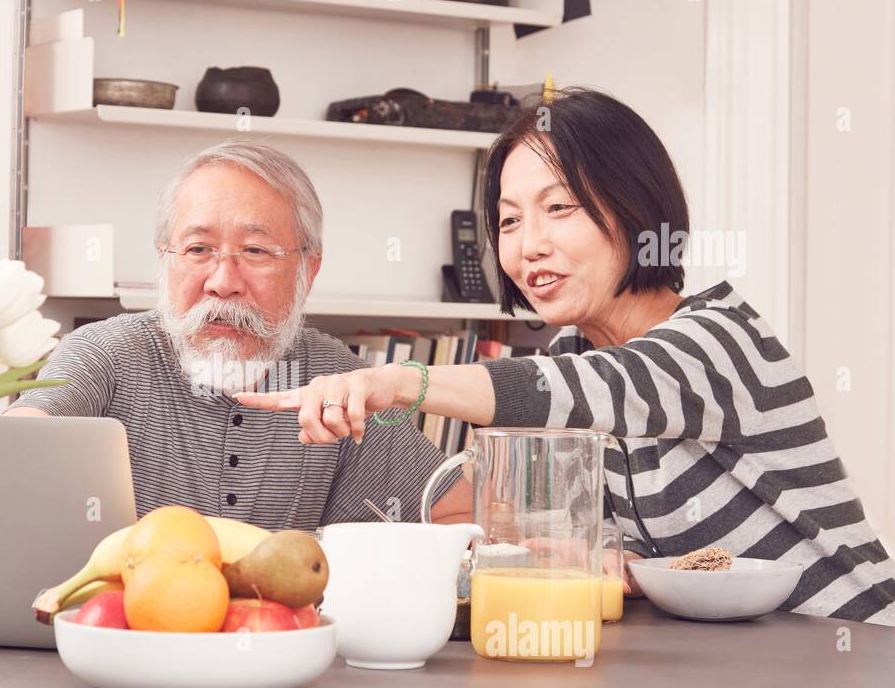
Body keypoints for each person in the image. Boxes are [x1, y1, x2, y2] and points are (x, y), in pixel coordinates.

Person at [236, 88, 895, 626]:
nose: (529, 246)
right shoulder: (573, 352)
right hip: (748, 680)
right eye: (511, 219)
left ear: (636, 209)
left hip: (861, 659)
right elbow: (632, 545)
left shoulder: (718, 342)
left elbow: (575, 388)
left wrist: (396, 381)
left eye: (560, 208)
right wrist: (616, 562)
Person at [6, 141, 468, 530]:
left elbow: (461, 514)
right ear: (166, 258)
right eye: (198, 249)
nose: (222, 281)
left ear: (308, 268)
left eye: (254, 250)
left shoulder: (338, 377)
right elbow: (11, 449)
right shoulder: (106, 354)